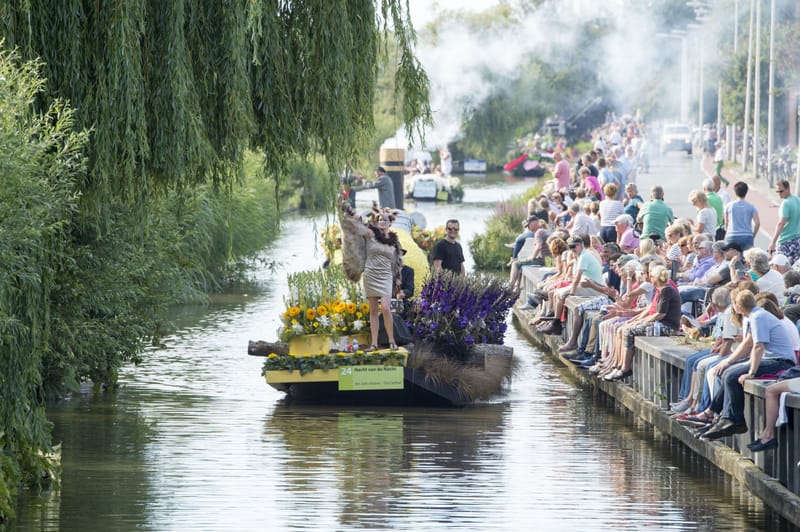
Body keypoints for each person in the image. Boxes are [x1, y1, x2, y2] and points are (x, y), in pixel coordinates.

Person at [701, 290, 796, 440]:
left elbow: (758, 346)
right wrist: (728, 361)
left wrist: (751, 372)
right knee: (727, 372)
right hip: (771, 358)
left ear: (738, 307)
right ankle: (716, 414)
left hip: (780, 362)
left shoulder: (758, 317)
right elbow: (748, 344)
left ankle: (736, 420)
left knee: (732, 376)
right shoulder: (755, 316)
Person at [342, 206, 401, 351]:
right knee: (373, 310)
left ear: (390, 222)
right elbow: (357, 222)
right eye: (380, 219)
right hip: (371, 274)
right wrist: (348, 209)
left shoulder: (394, 242)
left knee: (386, 308)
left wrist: (397, 282)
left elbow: (397, 263)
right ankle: (374, 344)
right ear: (376, 221)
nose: (382, 222)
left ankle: (391, 340)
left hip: (386, 275)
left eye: (385, 220)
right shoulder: (370, 234)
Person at [768, 180, 800, 265]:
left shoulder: (785, 203)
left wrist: (773, 242)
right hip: (798, 240)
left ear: (788, 189)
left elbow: (781, 223)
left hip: (785, 241)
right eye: (777, 191)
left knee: (778, 265)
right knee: (795, 267)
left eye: (781, 191)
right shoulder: (798, 200)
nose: (779, 194)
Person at [723, 181, 759, 251]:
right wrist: (753, 235)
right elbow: (757, 223)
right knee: (747, 256)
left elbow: (726, 223)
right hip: (747, 235)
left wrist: (727, 230)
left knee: (730, 255)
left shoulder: (729, 206)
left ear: (735, 192)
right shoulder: (751, 206)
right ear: (746, 192)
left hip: (732, 235)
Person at [395, 249, 415, 318]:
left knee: (397, 317)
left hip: (400, 301)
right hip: (384, 300)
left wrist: (402, 293)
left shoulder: (408, 271)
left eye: (400, 254)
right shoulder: (386, 269)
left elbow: (410, 290)